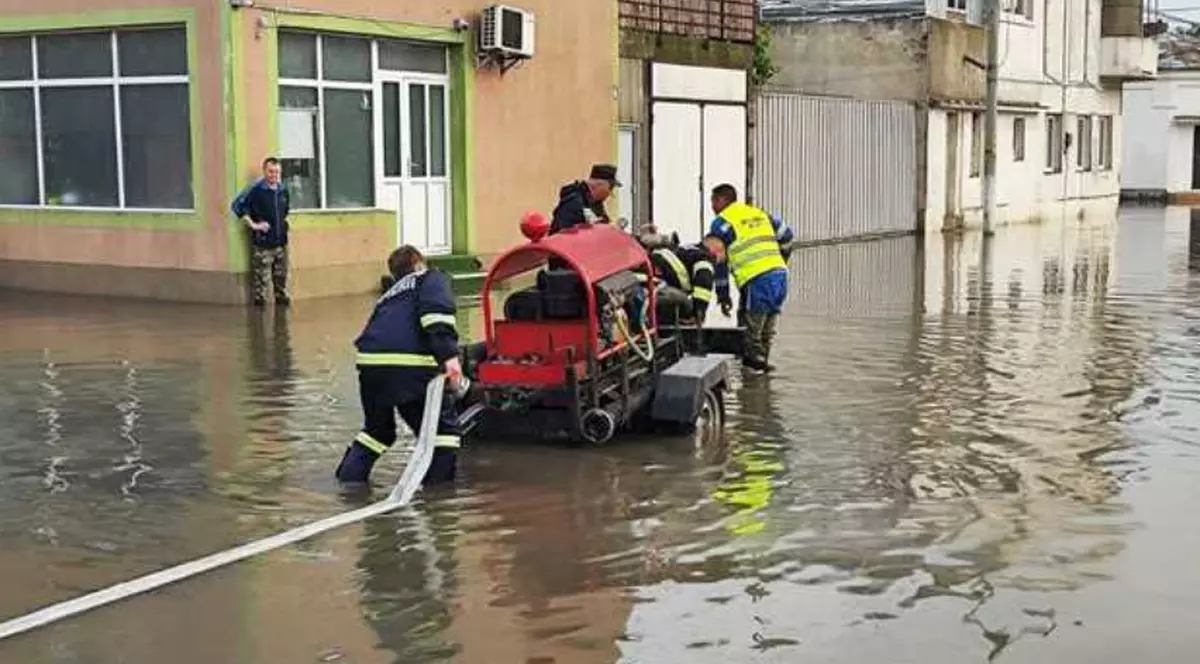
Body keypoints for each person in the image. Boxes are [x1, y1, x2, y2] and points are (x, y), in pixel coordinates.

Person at [335, 245, 465, 486]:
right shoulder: (431, 278)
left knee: (377, 432)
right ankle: (437, 499)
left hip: (370, 365)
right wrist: (450, 358)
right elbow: (436, 316)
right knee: (443, 434)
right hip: (409, 365)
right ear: (419, 264)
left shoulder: (389, 295)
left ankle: (348, 485)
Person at [704, 184, 793, 373]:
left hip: (757, 280)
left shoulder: (721, 223)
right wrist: (780, 260)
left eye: (713, 201)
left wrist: (723, 295)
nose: (712, 207)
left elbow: (719, 259)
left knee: (751, 335)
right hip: (780, 276)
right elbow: (787, 235)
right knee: (766, 332)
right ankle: (762, 384)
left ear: (722, 200)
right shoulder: (760, 214)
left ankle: (751, 385)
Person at [232, 157, 291, 307]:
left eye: (277, 172)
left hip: (280, 243)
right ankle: (259, 316)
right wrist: (254, 225)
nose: (274, 175)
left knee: (281, 278)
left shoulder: (283, 190)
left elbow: (285, 212)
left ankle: (281, 303)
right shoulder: (256, 191)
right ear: (265, 171)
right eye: (271, 171)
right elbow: (239, 208)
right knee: (261, 283)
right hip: (263, 245)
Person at [640, 234, 717, 324]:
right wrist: (698, 313)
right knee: (684, 304)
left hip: (650, 271)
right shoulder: (704, 258)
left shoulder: (689, 250)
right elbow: (704, 283)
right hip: (659, 276)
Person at [550, 164, 620, 235]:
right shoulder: (574, 202)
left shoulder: (595, 204)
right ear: (599, 185)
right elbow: (564, 234)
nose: (610, 194)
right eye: (610, 188)